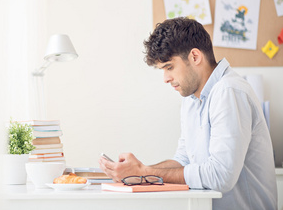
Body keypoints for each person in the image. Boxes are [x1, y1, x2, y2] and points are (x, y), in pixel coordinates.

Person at [99, 17, 277, 210]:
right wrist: (135, 173)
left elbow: (220, 176)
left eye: (169, 67)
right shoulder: (191, 99)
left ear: (194, 56)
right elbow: (183, 161)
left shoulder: (228, 91)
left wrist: (144, 173)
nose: (166, 79)